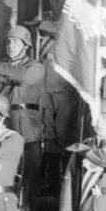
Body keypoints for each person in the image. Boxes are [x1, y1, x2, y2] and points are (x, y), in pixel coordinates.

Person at [0, 23, 45, 211]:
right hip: (4, 132)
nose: (9, 45)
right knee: (6, 188)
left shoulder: (35, 67)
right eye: (7, 41)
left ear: (26, 45)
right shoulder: (3, 67)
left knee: (27, 191)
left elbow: (22, 78)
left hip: (28, 135)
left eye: (14, 41)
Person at [37, 16, 80, 197]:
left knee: (65, 137)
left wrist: (47, 26)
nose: (55, 3)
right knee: (50, 136)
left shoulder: (75, 21)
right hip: (48, 85)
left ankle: (67, 182)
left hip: (66, 89)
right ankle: (52, 183)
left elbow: (63, 32)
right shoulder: (48, 26)